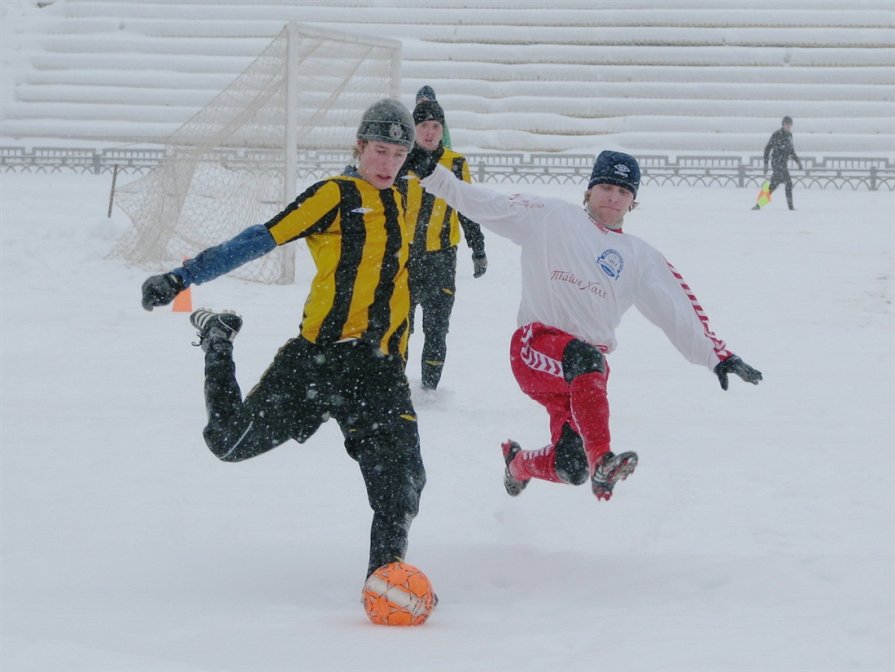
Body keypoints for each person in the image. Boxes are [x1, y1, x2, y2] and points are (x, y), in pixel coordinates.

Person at [139, 99, 427, 582]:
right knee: (229, 444)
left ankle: (386, 581)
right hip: (317, 361)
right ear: (359, 146)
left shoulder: (410, 195)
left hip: (378, 368)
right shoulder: (333, 195)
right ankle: (217, 340)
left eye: (398, 155)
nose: (388, 164)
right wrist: (182, 277)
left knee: (402, 484)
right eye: (379, 151)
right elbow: (261, 237)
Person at [405, 148, 763, 501]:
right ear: (589, 189)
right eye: (607, 187)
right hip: (536, 347)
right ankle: (603, 460)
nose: (614, 197)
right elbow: (485, 202)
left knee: (571, 466)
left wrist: (717, 356)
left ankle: (518, 466)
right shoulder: (551, 215)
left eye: (624, 192)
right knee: (585, 358)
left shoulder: (640, 256)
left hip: (586, 377)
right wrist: (433, 174)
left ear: (633, 202)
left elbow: (677, 307)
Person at [398, 99, 487, 391]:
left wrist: (478, 248)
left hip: (442, 259)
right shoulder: (400, 160)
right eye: (423, 125)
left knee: (437, 329)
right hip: (404, 259)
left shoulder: (456, 163)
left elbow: (467, 208)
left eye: (436, 125)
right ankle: (396, 385)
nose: (429, 132)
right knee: (400, 326)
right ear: (413, 129)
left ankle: (430, 390)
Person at [755, 115, 803, 210]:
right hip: (777, 162)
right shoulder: (777, 134)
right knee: (788, 183)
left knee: (773, 185)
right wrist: (766, 163)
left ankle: (758, 205)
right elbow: (767, 148)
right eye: (786, 124)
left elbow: (791, 151)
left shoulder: (789, 135)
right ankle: (791, 207)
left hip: (783, 163)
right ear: (783, 124)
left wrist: (798, 161)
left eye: (789, 125)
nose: (788, 126)